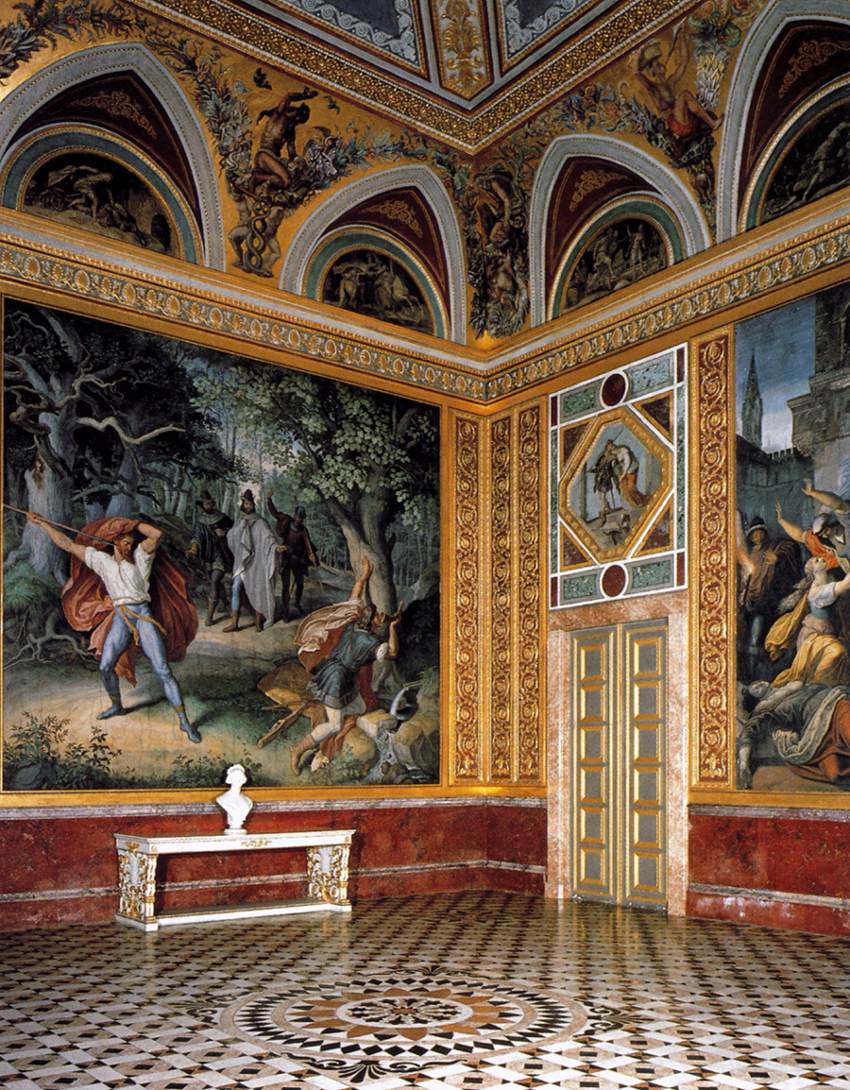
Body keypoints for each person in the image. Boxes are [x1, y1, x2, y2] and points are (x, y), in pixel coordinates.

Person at [27, 511, 200, 742]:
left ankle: (184, 722)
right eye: (125, 541)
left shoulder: (141, 556)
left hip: (143, 617)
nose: (129, 545)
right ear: (114, 542)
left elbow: (156, 535)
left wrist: (133, 524)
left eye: (131, 541)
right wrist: (42, 523)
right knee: (105, 666)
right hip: (120, 619)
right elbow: (66, 544)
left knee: (163, 670)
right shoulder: (101, 561)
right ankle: (117, 706)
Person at [289, 556, 400, 774]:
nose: (381, 616)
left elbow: (356, 594)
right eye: (379, 616)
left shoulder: (351, 620)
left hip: (338, 674)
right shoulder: (372, 644)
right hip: (336, 680)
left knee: (360, 707)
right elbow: (393, 652)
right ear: (374, 623)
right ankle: (297, 749)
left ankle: (334, 715)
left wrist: (364, 577)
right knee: (334, 725)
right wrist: (393, 627)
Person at [738, 680, 850, 788]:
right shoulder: (766, 711)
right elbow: (748, 732)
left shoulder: (790, 684)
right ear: (758, 700)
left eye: (757, 683)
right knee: (835, 772)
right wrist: (743, 763)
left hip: (836, 706)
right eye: (756, 689)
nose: (759, 684)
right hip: (818, 734)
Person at [764, 556, 850, 688]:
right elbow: (846, 584)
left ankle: (821, 686)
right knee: (837, 653)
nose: (821, 559)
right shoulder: (817, 592)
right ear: (813, 571)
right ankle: (818, 685)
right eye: (816, 561)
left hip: (825, 634)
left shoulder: (829, 580)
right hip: (813, 637)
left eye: (819, 558)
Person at [737, 515, 800, 681]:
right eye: (754, 534)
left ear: (764, 533)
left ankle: (761, 677)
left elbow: (790, 548)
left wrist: (777, 557)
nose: (757, 537)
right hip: (750, 603)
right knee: (748, 641)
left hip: (767, 603)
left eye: (760, 533)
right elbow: (746, 578)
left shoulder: (774, 547)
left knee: (760, 640)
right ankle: (749, 676)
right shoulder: (750, 554)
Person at [634, 27, 722, 141]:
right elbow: (637, 74)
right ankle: (712, 123)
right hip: (676, 124)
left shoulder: (670, 82)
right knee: (684, 95)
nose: (661, 64)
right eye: (657, 64)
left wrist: (682, 36)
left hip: (685, 119)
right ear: (652, 71)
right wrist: (639, 52)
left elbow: (684, 61)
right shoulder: (653, 88)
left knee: (686, 98)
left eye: (659, 62)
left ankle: (709, 121)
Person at [225, 489, 278, 632]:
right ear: (243, 505)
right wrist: (240, 529)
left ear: (253, 505)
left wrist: (275, 547)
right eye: (246, 504)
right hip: (242, 564)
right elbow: (231, 537)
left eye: (250, 504)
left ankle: (258, 622)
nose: (248, 506)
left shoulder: (260, 522)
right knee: (235, 588)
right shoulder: (240, 521)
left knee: (258, 589)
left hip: (256, 564)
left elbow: (269, 537)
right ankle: (234, 623)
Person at [251, 86, 318, 191]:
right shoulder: (279, 116)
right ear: (296, 113)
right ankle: (257, 177)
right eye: (298, 119)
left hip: (271, 160)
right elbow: (288, 96)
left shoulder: (290, 131)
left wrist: (298, 163)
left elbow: (292, 153)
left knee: (288, 181)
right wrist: (305, 95)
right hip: (264, 155)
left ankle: (264, 184)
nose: (297, 122)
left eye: (299, 122)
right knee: (286, 181)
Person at [267, 496, 318, 621]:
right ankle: (286, 612)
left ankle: (297, 603)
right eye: (298, 517)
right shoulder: (287, 522)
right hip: (286, 559)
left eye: (301, 518)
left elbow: (308, 545)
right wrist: (269, 499)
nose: (299, 519)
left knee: (300, 584)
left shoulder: (303, 530)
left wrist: (311, 555)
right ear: (294, 515)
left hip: (298, 561)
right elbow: (274, 513)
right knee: (286, 586)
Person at [187, 491, 234, 626]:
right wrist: (194, 548)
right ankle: (225, 602)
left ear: (213, 503)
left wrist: (225, 533)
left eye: (210, 503)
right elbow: (196, 536)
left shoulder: (223, 518)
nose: (208, 505)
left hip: (221, 554)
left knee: (214, 581)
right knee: (214, 581)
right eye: (205, 503)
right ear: (202, 505)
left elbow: (235, 531)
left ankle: (209, 617)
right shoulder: (200, 521)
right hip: (207, 556)